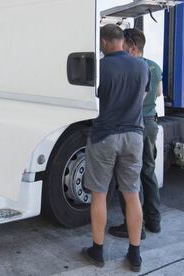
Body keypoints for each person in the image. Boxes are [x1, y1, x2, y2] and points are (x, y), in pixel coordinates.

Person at [81, 24, 150, 272]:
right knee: (132, 194)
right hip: (134, 135)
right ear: (122, 40)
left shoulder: (101, 67)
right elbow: (141, 97)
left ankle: (97, 251)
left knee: (99, 194)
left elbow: (92, 100)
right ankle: (135, 254)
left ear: (102, 42)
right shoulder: (142, 65)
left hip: (105, 136)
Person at [109, 28, 163, 239]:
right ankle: (154, 220)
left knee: (129, 178)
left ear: (131, 47)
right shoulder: (154, 66)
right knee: (148, 173)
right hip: (150, 124)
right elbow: (157, 93)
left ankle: (133, 226)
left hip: (134, 126)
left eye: (123, 45)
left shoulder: (131, 67)